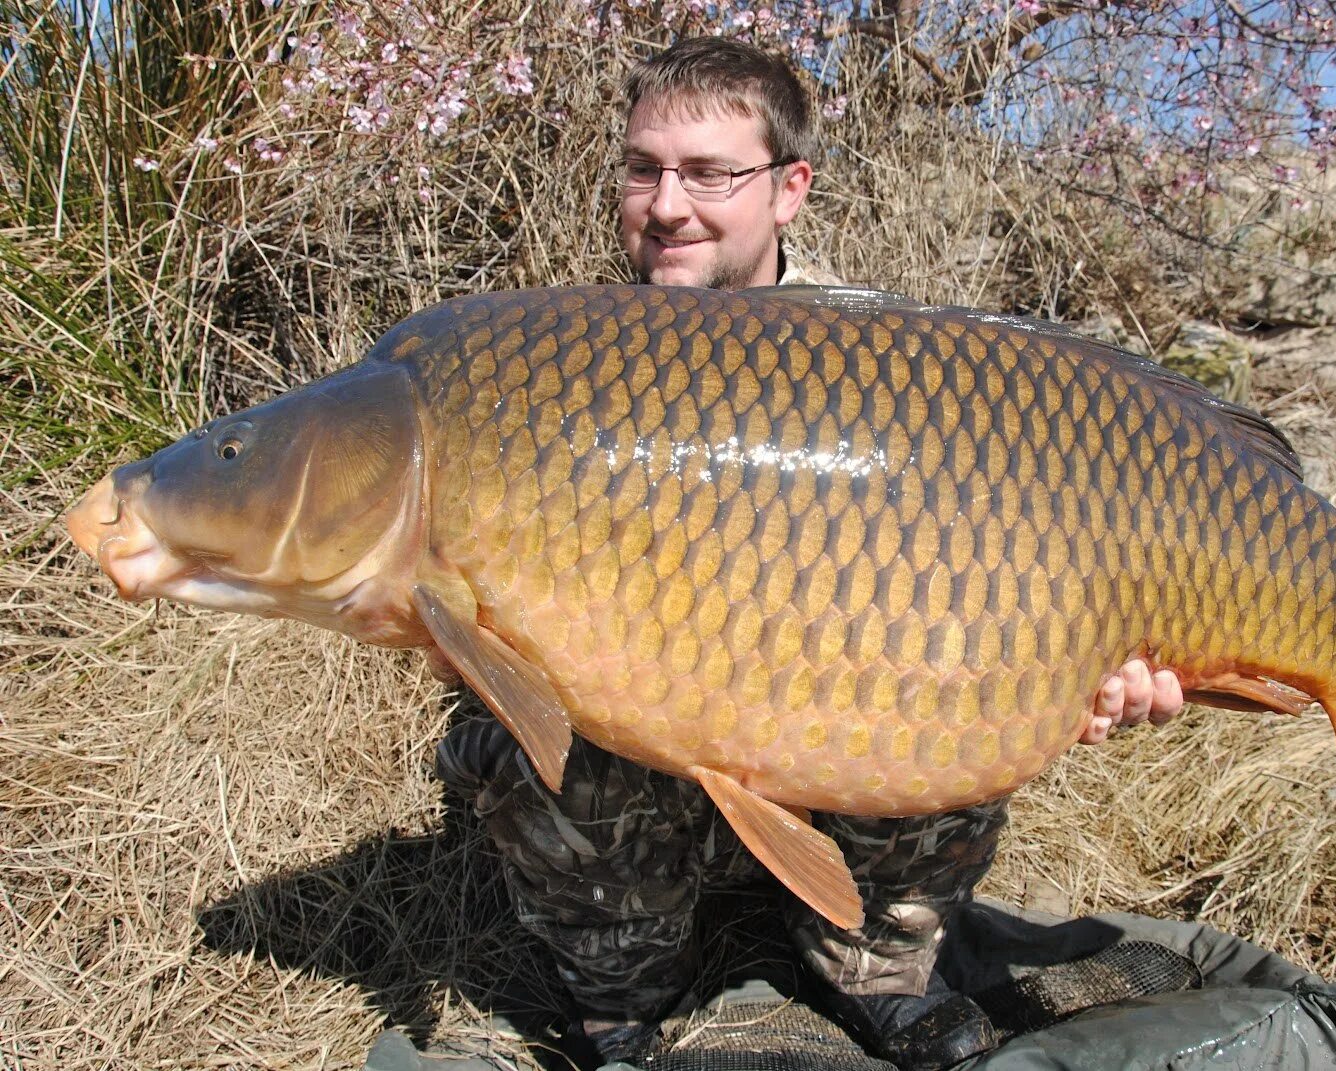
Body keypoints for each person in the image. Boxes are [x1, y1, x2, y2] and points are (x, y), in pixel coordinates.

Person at [434, 36, 1184, 1071]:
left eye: (709, 174)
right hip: (648, 771)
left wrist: (1100, 669)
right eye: (643, 168)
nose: (666, 205)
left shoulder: (886, 358)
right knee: (522, 736)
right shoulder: (560, 356)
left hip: (834, 742)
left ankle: (875, 970)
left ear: (788, 190)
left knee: (946, 689)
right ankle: (619, 997)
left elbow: (1035, 567)